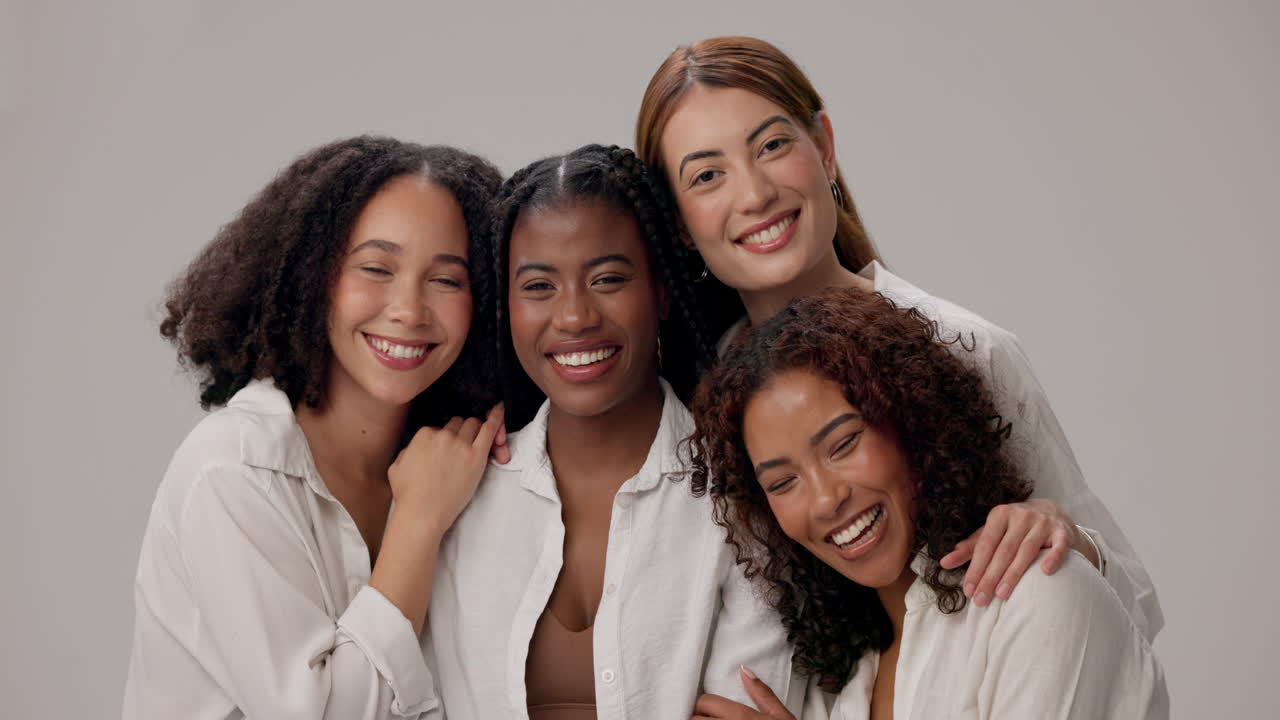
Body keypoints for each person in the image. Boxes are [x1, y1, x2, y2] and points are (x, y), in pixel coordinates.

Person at [635, 36, 1161, 639]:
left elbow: (1136, 609)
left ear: (825, 148)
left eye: (773, 145)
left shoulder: (963, 349)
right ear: (678, 221)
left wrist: (1065, 539)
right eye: (707, 176)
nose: (754, 194)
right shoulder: (690, 399)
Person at [124, 136, 505, 719]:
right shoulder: (233, 469)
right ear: (311, 276)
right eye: (376, 268)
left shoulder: (457, 464)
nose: (409, 309)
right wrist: (420, 521)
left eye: (447, 280)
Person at [421, 144, 801, 718]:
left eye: (607, 278)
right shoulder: (456, 496)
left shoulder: (743, 495)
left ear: (662, 291)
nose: (575, 317)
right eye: (539, 287)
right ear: (506, 306)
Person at [687, 288, 1167, 720]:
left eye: (844, 444)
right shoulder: (839, 681)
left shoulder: (1041, 596)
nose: (826, 500)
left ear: (911, 420)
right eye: (782, 482)